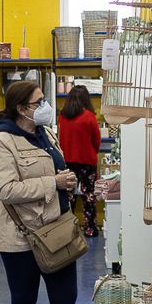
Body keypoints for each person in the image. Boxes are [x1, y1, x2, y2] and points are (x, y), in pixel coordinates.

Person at [0, 80, 83, 304]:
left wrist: (67, 182)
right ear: (21, 108)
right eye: (38, 102)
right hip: (20, 236)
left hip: (57, 230)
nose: (45, 106)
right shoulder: (2, 140)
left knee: (65, 298)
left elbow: (57, 172)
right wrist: (52, 182)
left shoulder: (47, 134)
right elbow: (6, 190)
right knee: (24, 302)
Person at [57, 85, 102, 238]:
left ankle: (67, 230)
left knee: (69, 196)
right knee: (88, 196)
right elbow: (96, 140)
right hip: (87, 161)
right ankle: (90, 229)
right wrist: (92, 151)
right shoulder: (89, 116)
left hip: (67, 161)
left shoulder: (62, 117)